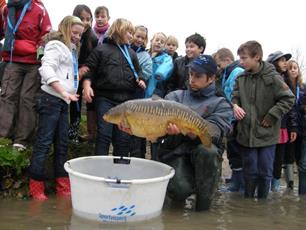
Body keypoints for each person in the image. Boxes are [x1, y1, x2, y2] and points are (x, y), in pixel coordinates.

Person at [156, 54, 233, 211]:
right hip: (176, 152)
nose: (192, 79)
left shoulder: (221, 103)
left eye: (198, 76)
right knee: (178, 191)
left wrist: (192, 133)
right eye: (191, 74)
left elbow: (215, 132)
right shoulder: (174, 97)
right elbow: (158, 131)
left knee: (208, 151)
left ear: (211, 78)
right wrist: (170, 132)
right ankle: (177, 197)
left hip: (203, 156)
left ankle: (203, 211)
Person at [28, 16, 84, 200]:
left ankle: (63, 186)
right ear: (65, 28)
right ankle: (36, 186)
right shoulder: (55, 45)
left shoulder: (72, 49)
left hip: (63, 101)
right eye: (74, 33)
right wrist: (63, 91)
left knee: (62, 143)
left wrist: (68, 94)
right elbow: (46, 69)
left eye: (79, 34)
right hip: (50, 98)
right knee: (44, 143)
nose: (77, 37)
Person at [232, 41, 295, 199]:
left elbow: (288, 99)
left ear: (257, 57)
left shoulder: (272, 77)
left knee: (265, 170)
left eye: (244, 58)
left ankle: (262, 205)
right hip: (246, 133)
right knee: (250, 169)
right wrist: (234, 106)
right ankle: (249, 205)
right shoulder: (240, 78)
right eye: (240, 58)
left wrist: (272, 115)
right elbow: (235, 97)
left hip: (267, 133)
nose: (241, 61)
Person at [82, 18, 146, 156]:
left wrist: (141, 80)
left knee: (123, 139)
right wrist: (87, 86)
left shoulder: (132, 54)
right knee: (104, 135)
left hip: (126, 102)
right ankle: (100, 171)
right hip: (105, 99)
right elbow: (89, 70)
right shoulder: (101, 49)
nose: (131, 36)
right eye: (129, 32)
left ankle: (119, 172)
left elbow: (138, 72)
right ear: (118, 30)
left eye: (132, 32)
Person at [0, 0, 51, 151]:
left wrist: (41, 52)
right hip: (11, 58)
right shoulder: (6, 10)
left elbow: (46, 34)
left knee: (27, 99)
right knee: (8, 95)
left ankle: (22, 140)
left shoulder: (38, 9)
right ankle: (3, 136)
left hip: (33, 62)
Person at [214, 48, 244, 192]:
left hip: (234, 119)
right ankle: (236, 180)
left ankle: (238, 185)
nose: (219, 68)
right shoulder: (228, 73)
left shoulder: (236, 72)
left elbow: (234, 96)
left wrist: (230, 119)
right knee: (233, 151)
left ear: (227, 60)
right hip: (229, 117)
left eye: (219, 65)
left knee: (235, 151)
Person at [267, 51, 297, 191]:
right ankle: (266, 185)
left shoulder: (287, 80)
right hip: (268, 125)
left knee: (279, 158)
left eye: (286, 60)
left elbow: (291, 107)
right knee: (268, 157)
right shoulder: (269, 79)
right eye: (282, 60)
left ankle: (275, 184)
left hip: (283, 126)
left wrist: (293, 128)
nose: (285, 63)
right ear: (274, 62)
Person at [69, 4, 98, 144]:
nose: (85, 22)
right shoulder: (69, 34)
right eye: (82, 18)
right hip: (68, 74)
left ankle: (73, 133)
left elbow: (92, 62)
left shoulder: (92, 38)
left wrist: (83, 72)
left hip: (83, 77)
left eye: (88, 19)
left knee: (77, 104)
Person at [129, 25, 152, 158]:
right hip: (125, 93)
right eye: (137, 36)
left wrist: (138, 78)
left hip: (138, 93)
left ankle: (138, 154)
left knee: (137, 126)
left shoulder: (145, 55)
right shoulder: (125, 49)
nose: (139, 39)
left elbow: (147, 71)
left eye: (142, 38)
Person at [286, 60, 304, 190]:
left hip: (301, 126)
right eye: (290, 68)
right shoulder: (284, 85)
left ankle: (298, 180)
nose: (293, 70)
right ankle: (290, 183)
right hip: (288, 125)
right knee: (288, 154)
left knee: (299, 154)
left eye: (295, 68)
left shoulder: (303, 87)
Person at [145, 32, 173, 98]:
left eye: (162, 42)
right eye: (157, 40)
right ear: (151, 41)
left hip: (156, 91)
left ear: (164, 46)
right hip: (140, 89)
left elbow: (167, 66)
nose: (159, 42)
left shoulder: (166, 58)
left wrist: (160, 73)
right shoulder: (144, 54)